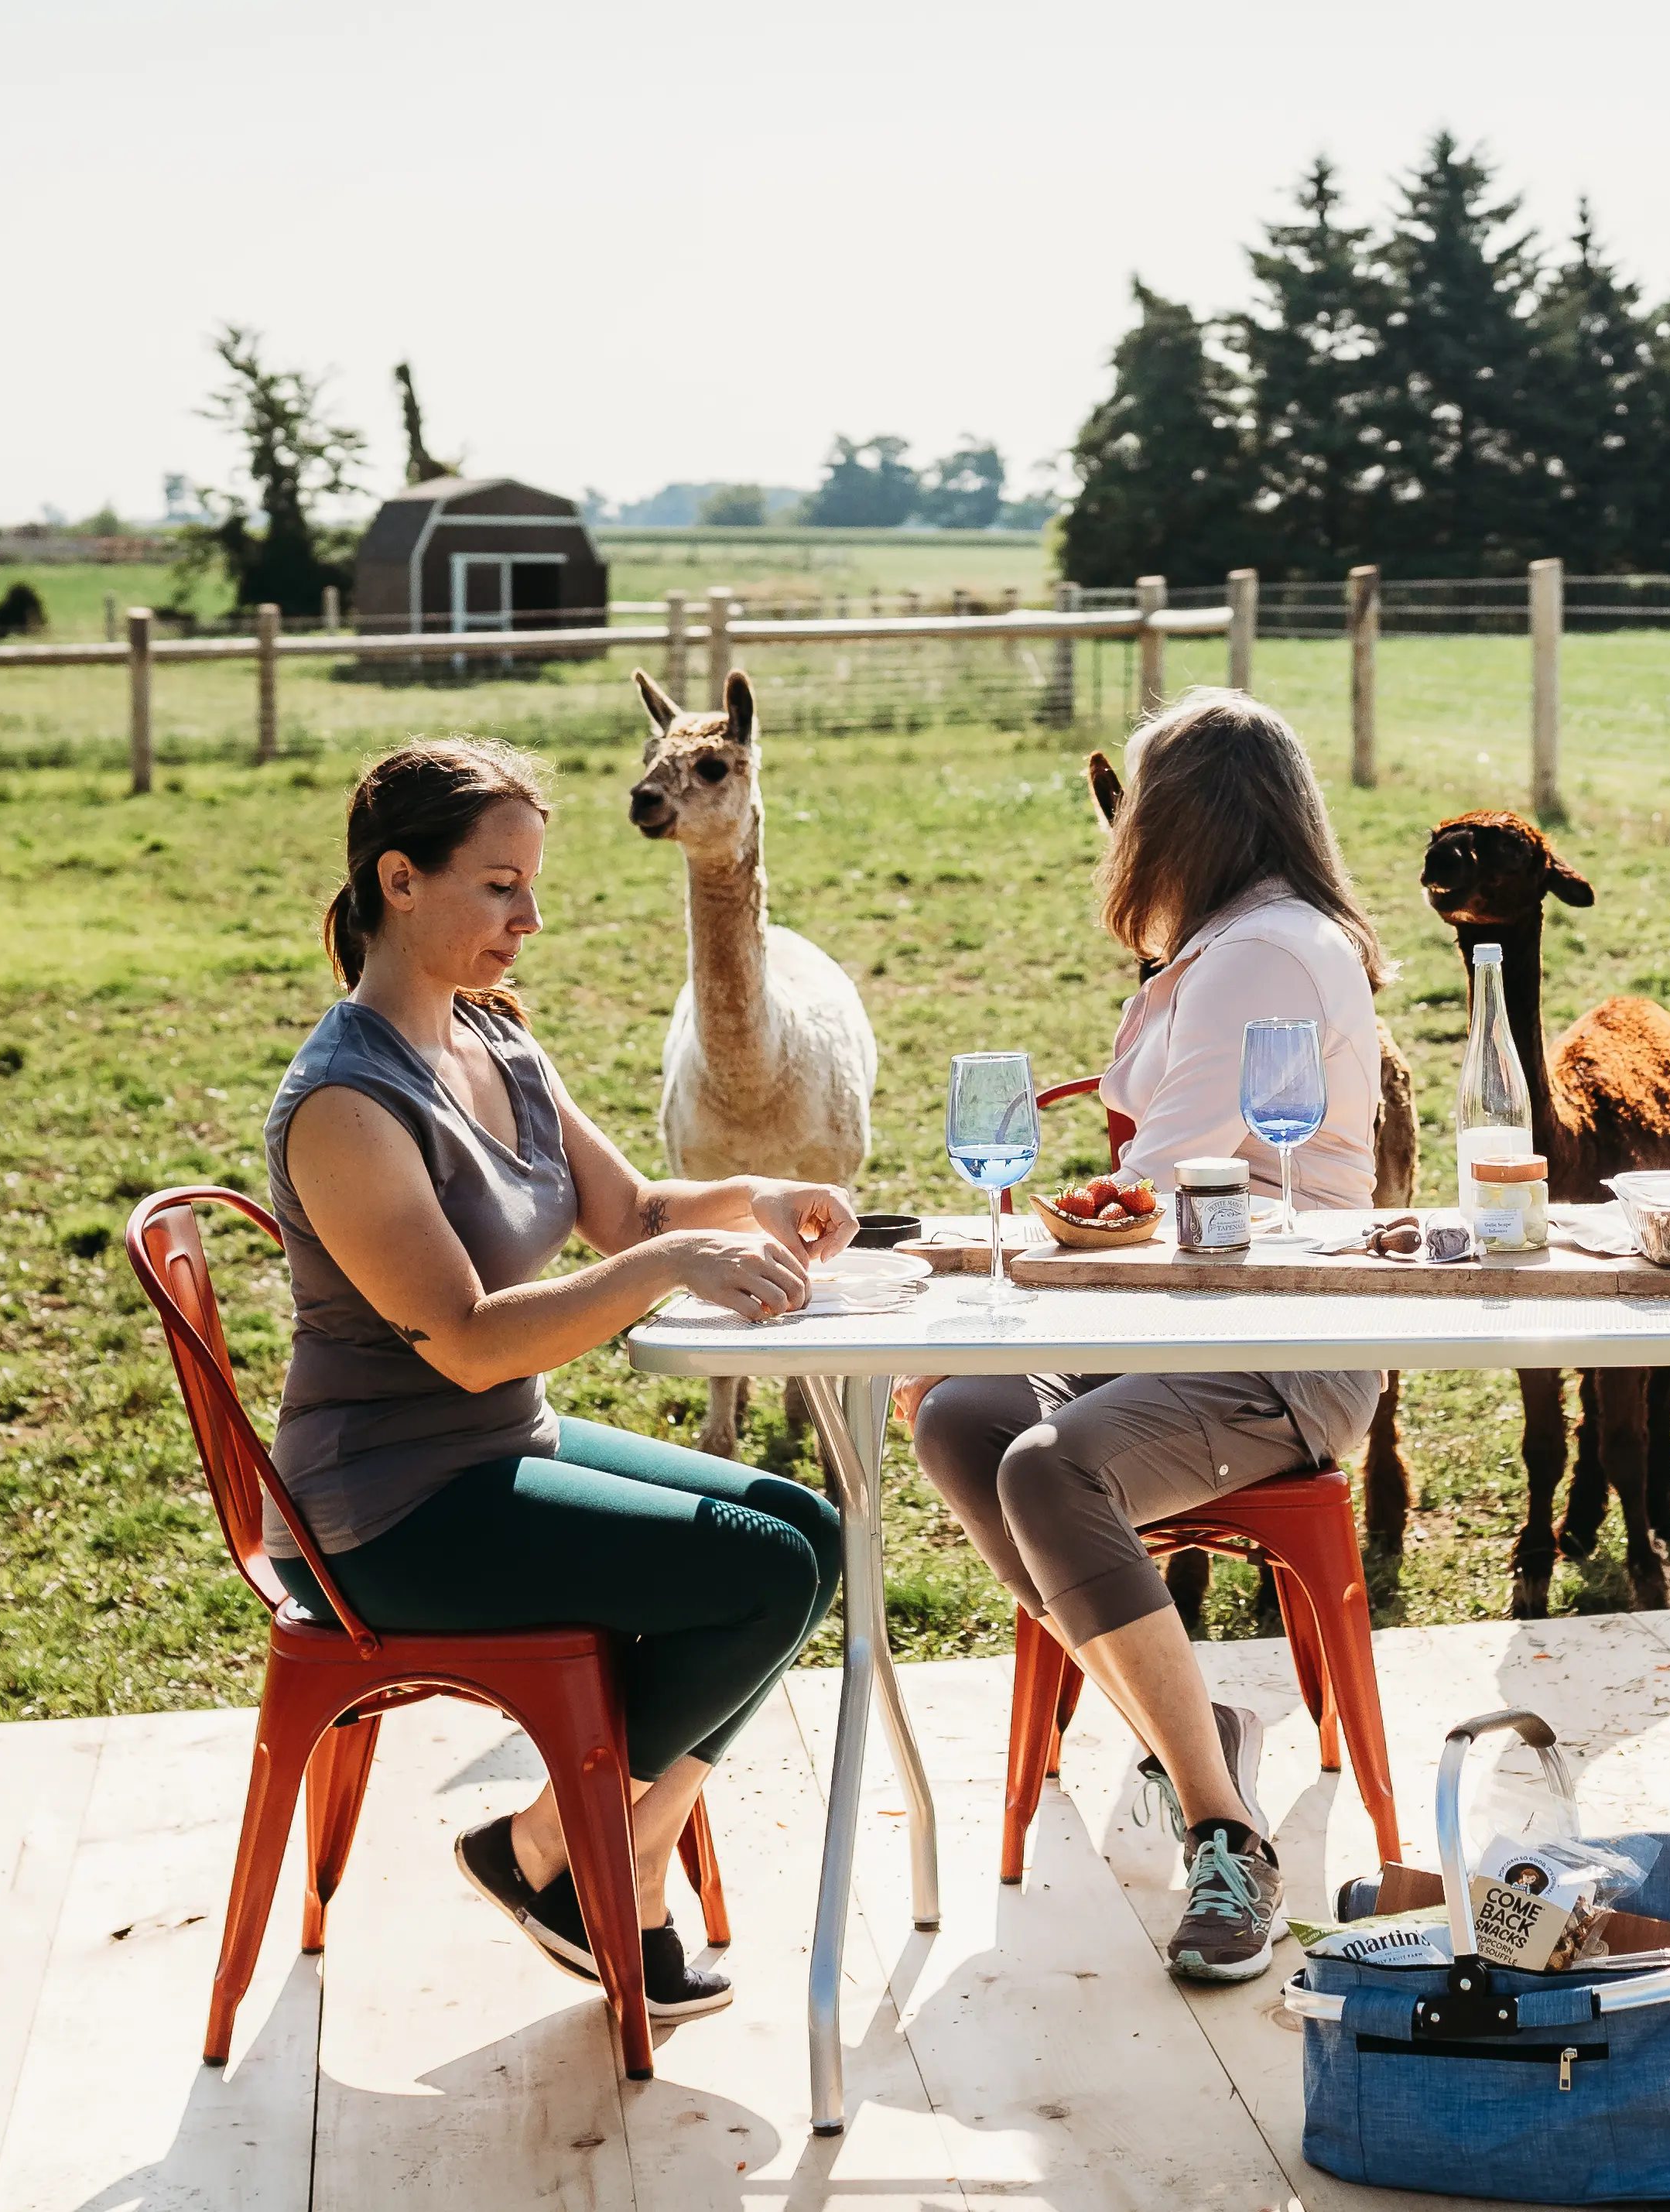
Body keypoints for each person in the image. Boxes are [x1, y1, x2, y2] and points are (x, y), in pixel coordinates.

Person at [266, 736, 856, 2022]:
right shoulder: (345, 1106)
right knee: (760, 1572)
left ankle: (580, 1852)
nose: (528, 919)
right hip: (383, 1513)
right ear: (399, 881)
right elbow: (470, 1339)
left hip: (495, 1453)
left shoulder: (496, 1042)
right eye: (497, 887)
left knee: (812, 1526)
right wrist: (671, 1268)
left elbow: (634, 1207)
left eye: (533, 886)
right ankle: (578, 1860)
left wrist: (763, 1197)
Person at [909, 689, 1390, 1984]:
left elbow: (1172, 1182)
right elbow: (1169, 1202)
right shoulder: (1242, 939)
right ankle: (1199, 1725)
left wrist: (982, 1286)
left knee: (1041, 1465)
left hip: (1280, 1341)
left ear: (1180, 820)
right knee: (962, 1413)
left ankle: (1223, 1830)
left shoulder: (1260, 955)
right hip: (1191, 1315)